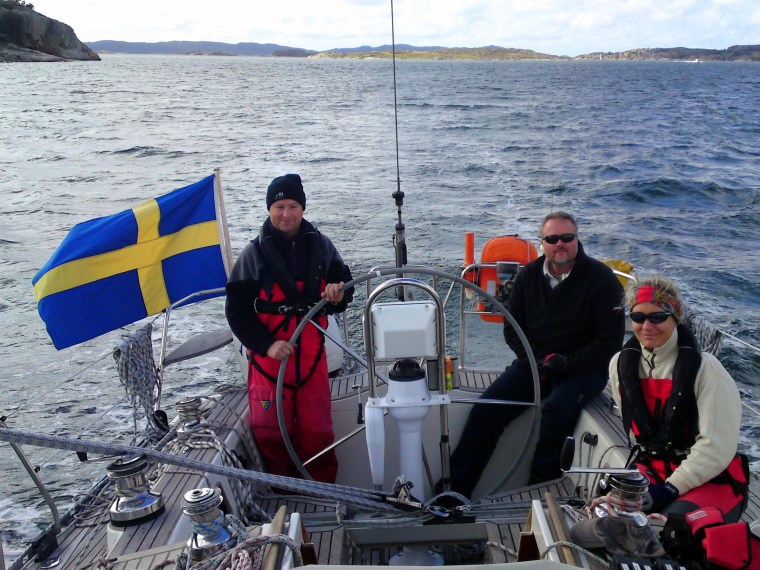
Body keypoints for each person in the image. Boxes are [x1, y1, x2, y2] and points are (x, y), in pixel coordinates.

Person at [448, 211, 625, 497]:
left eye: (567, 237)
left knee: (557, 409)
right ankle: (454, 494)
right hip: (535, 363)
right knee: (485, 410)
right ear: (542, 243)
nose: (560, 244)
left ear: (577, 239)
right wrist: (539, 361)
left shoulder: (602, 280)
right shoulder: (528, 276)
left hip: (583, 370)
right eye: (552, 239)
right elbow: (512, 328)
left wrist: (565, 365)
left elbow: (609, 342)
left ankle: (537, 496)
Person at [225, 173, 354, 483]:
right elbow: (236, 311)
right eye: (279, 206)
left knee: (318, 433)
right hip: (269, 363)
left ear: (302, 208)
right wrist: (267, 345)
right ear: (269, 209)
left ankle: (322, 493)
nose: (286, 214)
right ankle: (282, 494)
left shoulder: (323, 247)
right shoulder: (253, 255)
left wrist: (338, 294)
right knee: (270, 434)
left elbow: (345, 290)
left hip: (312, 360)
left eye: (293, 206)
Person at [610, 276, 748, 521]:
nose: (647, 325)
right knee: (612, 519)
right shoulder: (619, 364)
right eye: (638, 317)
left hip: (709, 477)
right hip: (654, 468)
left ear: (676, 317)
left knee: (671, 530)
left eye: (658, 317)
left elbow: (716, 447)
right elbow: (634, 430)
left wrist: (671, 488)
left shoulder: (707, 370)